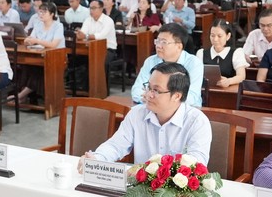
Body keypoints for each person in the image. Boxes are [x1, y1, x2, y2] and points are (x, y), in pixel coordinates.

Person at [80, 62, 211, 169]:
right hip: (139, 189)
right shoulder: (136, 113)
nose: (148, 94)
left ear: (177, 96)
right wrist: (97, 158)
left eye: (156, 90)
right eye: (148, 87)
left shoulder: (197, 121)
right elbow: (116, 145)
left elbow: (197, 162)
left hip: (177, 191)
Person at [131, 23, 203, 107]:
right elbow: (136, 90)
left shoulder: (194, 63)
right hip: (153, 107)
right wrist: (147, 97)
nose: (158, 46)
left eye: (164, 42)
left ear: (179, 46)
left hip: (186, 110)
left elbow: (192, 97)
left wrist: (160, 100)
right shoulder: (150, 61)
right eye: (157, 41)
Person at [15, 3, 66, 101]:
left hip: (56, 58)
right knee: (26, 66)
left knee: (38, 70)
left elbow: (53, 45)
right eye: (40, 12)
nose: (41, 14)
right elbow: (31, 39)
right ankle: (24, 95)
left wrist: (37, 41)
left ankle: (21, 95)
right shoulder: (38, 25)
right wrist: (27, 41)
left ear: (52, 14)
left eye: (44, 12)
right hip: (40, 56)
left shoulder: (58, 26)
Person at [197, 19, 248, 87]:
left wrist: (229, 81)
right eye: (212, 35)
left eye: (219, 36)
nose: (215, 39)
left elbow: (241, 76)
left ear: (228, 36)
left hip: (229, 90)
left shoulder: (236, 53)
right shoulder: (201, 53)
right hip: (206, 90)